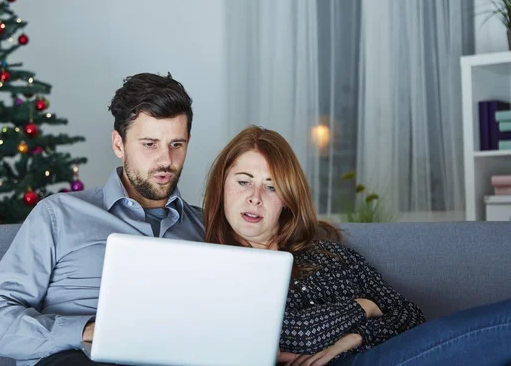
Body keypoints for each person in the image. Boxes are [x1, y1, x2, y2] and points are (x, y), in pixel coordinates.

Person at [203, 125, 511, 366]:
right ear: (223, 184)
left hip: (377, 354)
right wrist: (363, 306)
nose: (255, 196)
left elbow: (409, 315)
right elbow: (296, 336)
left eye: (271, 187)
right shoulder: (219, 267)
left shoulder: (332, 254)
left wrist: (352, 338)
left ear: (287, 200)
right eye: (244, 181)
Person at [0, 72, 205, 366]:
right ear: (119, 144)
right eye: (149, 144)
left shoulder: (206, 227)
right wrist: (84, 330)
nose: (165, 160)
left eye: (176, 144)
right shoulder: (59, 215)